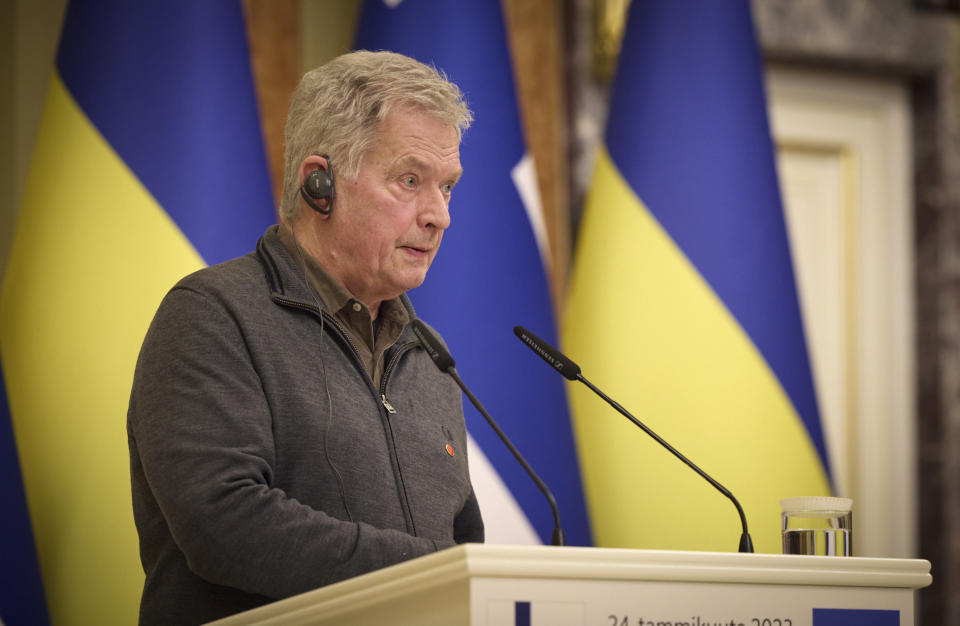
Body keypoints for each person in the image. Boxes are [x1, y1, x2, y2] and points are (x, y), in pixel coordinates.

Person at [127, 50, 484, 625]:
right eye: (410, 180)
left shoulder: (425, 351)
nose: (438, 214)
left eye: (447, 187)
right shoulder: (213, 315)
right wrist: (434, 572)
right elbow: (223, 522)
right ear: (320, 184)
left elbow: (462, 537)